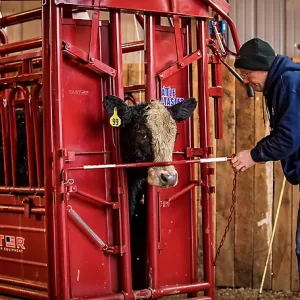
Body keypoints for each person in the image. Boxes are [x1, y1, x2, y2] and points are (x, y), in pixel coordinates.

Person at [231, 37, 300, 276]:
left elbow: (288, 139)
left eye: (247, 74)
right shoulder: (284, 81)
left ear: (264, 67)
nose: (246, 81)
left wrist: (253, 155)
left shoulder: (287, 82)